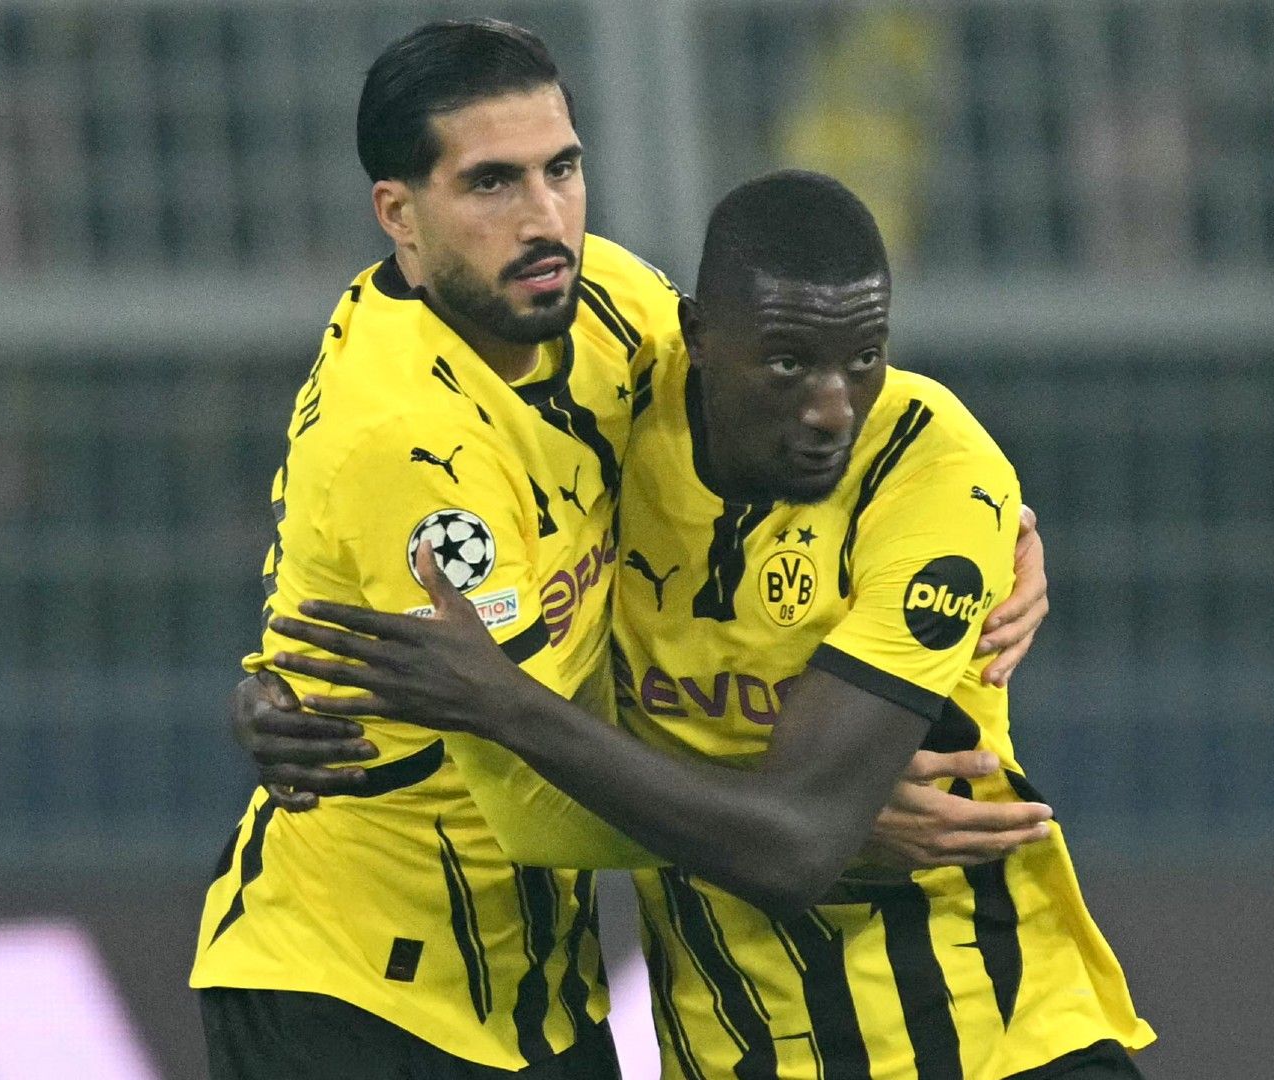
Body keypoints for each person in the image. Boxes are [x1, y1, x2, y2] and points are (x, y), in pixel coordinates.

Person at [195, 21, 1055, 1080]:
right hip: (360, 992)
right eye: (492, 185)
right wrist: (819, 825)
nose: (544, 219)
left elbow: (773, 391)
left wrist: (983, 512)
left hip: (540, 995)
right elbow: (533, 800)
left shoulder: (601, 299)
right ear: (400, 217)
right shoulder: (407, 442)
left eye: (562, 169)